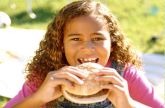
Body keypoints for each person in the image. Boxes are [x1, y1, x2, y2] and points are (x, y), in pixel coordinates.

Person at [4, 0, 164, 108]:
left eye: (97, 38)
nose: (88, 48)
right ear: (60, 44)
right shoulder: (47, 76)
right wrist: (39, 97)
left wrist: (126, 103)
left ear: (113, 44)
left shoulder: (125, 75)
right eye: (75, 38)